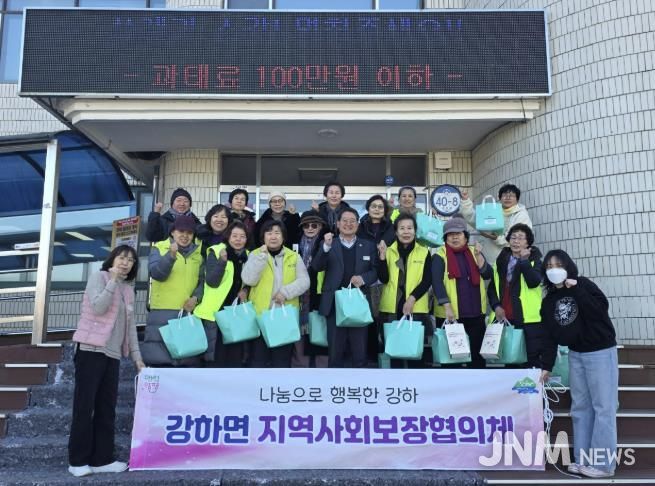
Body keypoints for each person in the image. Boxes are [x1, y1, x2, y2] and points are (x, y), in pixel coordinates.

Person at [539, 250, 618, 479]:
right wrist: (547, 365)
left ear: (568, 267)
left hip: (600, 351)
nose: (554, 269)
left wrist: (576, 289)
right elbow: (549, 335)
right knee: (580, 408)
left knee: (603, 407)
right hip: (575, 354)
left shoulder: (583, 284)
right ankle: (582, 460)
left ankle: (603, 465)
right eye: (549, 266)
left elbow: (599, 311)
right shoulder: (549, 300)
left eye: (558, 265)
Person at [68, 245, 143, 477]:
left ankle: (102, 460)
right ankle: (77, 461)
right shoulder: (98, 278)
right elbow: (98, 307)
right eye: (122, 258)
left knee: (106, 409)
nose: (125, 263)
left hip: (112, 354)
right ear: (112, 259)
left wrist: (138, 359)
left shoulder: (128, 290)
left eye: (130, 260)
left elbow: (131, 328)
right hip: (90, 350)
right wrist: (112, 281)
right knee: (84, 407)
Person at [312, 208, 378, 368]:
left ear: (358, 224)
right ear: (338, 223)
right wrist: (326, 247)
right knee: (335, 354)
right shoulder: (328, 243)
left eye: (352, 221)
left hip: (359, 304)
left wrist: (363, 278)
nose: (348, 224)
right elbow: (316, 267)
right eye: (345, 221)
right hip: (334, 304)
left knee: (359, 353)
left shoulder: (368, 246)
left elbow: (376, 271)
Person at [241, 220, 310, 367]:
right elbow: (248, 280)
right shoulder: (255, 254)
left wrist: (285, 292)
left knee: (281, 362)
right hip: (260, 317)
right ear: (263, 237)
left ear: (283, 237)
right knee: (258, 361)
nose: (273, 236)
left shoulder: (293, 256)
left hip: (284, 317)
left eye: (277, 233)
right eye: (269, 233)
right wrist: (261, 257)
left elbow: (305, 281)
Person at [141, 215, 204, 367]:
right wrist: (170, 256)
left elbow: (202, 282)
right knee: (160, 362)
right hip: (162, 313)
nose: (185, 236)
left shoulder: (198, 254)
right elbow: (157, 274)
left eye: (189, 233)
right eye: (181, 231)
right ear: (172, 232)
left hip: (187, 314)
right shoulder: (159, 248)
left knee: (187, 363)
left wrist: (196, 298)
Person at [431, 216, 492, 369]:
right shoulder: (439, 255)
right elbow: (437, 283)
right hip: (451, 315)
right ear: (445, 238)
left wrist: (479, 256)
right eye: (450, 235)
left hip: (475, 313)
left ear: (465, 236)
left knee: (477, 358)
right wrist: (447, 306)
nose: (455, 237)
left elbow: (487, 274)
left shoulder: (474, 251)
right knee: (452, 360)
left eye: (458, 234)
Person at [377, 214, 432, 368]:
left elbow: (427, 280)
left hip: (416, 308)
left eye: (409, 228)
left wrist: (412, 298)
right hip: (391, 308)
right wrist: (382, 257)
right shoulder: (388, 251)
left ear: (415, 231)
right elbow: (383, 279)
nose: (406, 232)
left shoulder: (424, 252)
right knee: (394, 354)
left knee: (416, 355)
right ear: (396, 232)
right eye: (402, 228)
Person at [193, 221, 250, 367]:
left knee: (235, 357)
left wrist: (245, 290)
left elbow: (250, 281)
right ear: (228, 237)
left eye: (242, 236)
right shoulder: (216, 251)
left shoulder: (248, 255)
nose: (238, 240)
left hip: (236, 313)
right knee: (216, 358)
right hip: (216, 312)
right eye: (234, 236)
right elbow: (212, 281)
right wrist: (222, 261)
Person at [487, 223, 544, 368]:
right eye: (513, 237)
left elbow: (533, 282)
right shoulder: (501, 260)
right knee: (510, 361)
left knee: (531, 361)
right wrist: (496, 306)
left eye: (520, 238)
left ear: (528, 242)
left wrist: (524, 261)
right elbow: (492, 288)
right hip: (505, 318)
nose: (516, 241)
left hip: (529, 320)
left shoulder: (535, 260)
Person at [459, 183, 533, 262]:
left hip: (509, 260)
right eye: (504, 195)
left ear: (517, 199)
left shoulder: (521, 215)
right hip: (487, 258)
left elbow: (516, 240)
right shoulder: (493, 210)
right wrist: (465, 201)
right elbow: (473, 218)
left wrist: (496, 238)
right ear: (500, 198)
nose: (508, 198)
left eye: (511, 196)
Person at [294, 209, 329, 368]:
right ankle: (300, 367)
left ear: (321, 226)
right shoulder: (294, 244)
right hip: (297, 294)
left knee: (319, 330)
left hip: (318, 293)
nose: (310, 228)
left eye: (314, 225)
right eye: (306, 225)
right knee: (299, 331)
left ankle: (322, 370)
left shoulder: (326, 244)